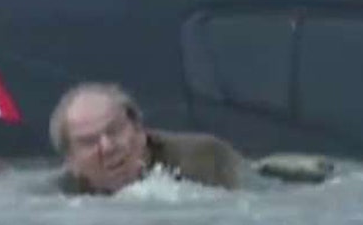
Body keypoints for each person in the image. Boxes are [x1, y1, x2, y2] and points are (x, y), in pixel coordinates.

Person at [49, 82, 245, 195]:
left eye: (115, 130)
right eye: (89, 141)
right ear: (71, 160)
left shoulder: (205, 159)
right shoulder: (59, 195)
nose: (108, 147)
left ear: (138, 130)